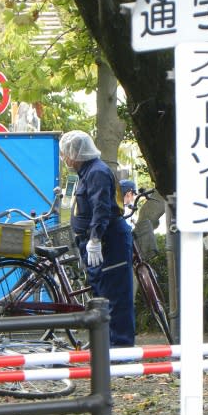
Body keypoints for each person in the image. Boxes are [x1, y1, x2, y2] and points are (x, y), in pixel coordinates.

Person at [60, 130, 135, 347]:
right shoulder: (88, 172)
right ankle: (106, 344)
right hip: (100, 241)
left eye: (66, 153)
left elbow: (101, 208)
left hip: (108, 241)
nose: (65, 158)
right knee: (103, 294)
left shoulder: (97, 172)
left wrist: (95, 239)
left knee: (115, 296)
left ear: (75, 153)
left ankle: (119, 348)